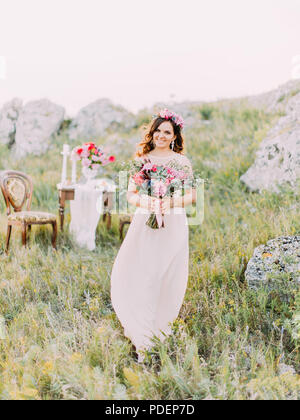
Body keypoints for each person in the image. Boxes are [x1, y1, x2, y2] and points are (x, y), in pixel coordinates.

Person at [110, 109, 195, 363]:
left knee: (166, 275)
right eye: (157, 130)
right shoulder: (141, 160)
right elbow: (130, 195)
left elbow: (192, 196)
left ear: (174, 136)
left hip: (174, 222)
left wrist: (168, 201)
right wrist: (149, 202)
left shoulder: (182, 163)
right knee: (143, 273)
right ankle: (142, 336)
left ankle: (159, 327)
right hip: (145, 222)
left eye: (166, 132)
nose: (160, 135)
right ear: (152, 132)